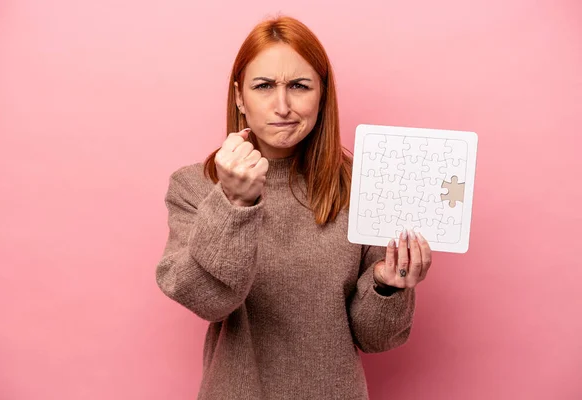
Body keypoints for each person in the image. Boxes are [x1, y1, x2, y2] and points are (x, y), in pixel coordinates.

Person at [155, 14, 432, 400]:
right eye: (264, 86)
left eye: (299, 86)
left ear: (322, 94)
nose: (282, 105)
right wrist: (234, 203)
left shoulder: (362, 185)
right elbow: (210, 301)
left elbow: (375, 339)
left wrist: (386, 286)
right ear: (239, 96)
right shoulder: (195, 186)